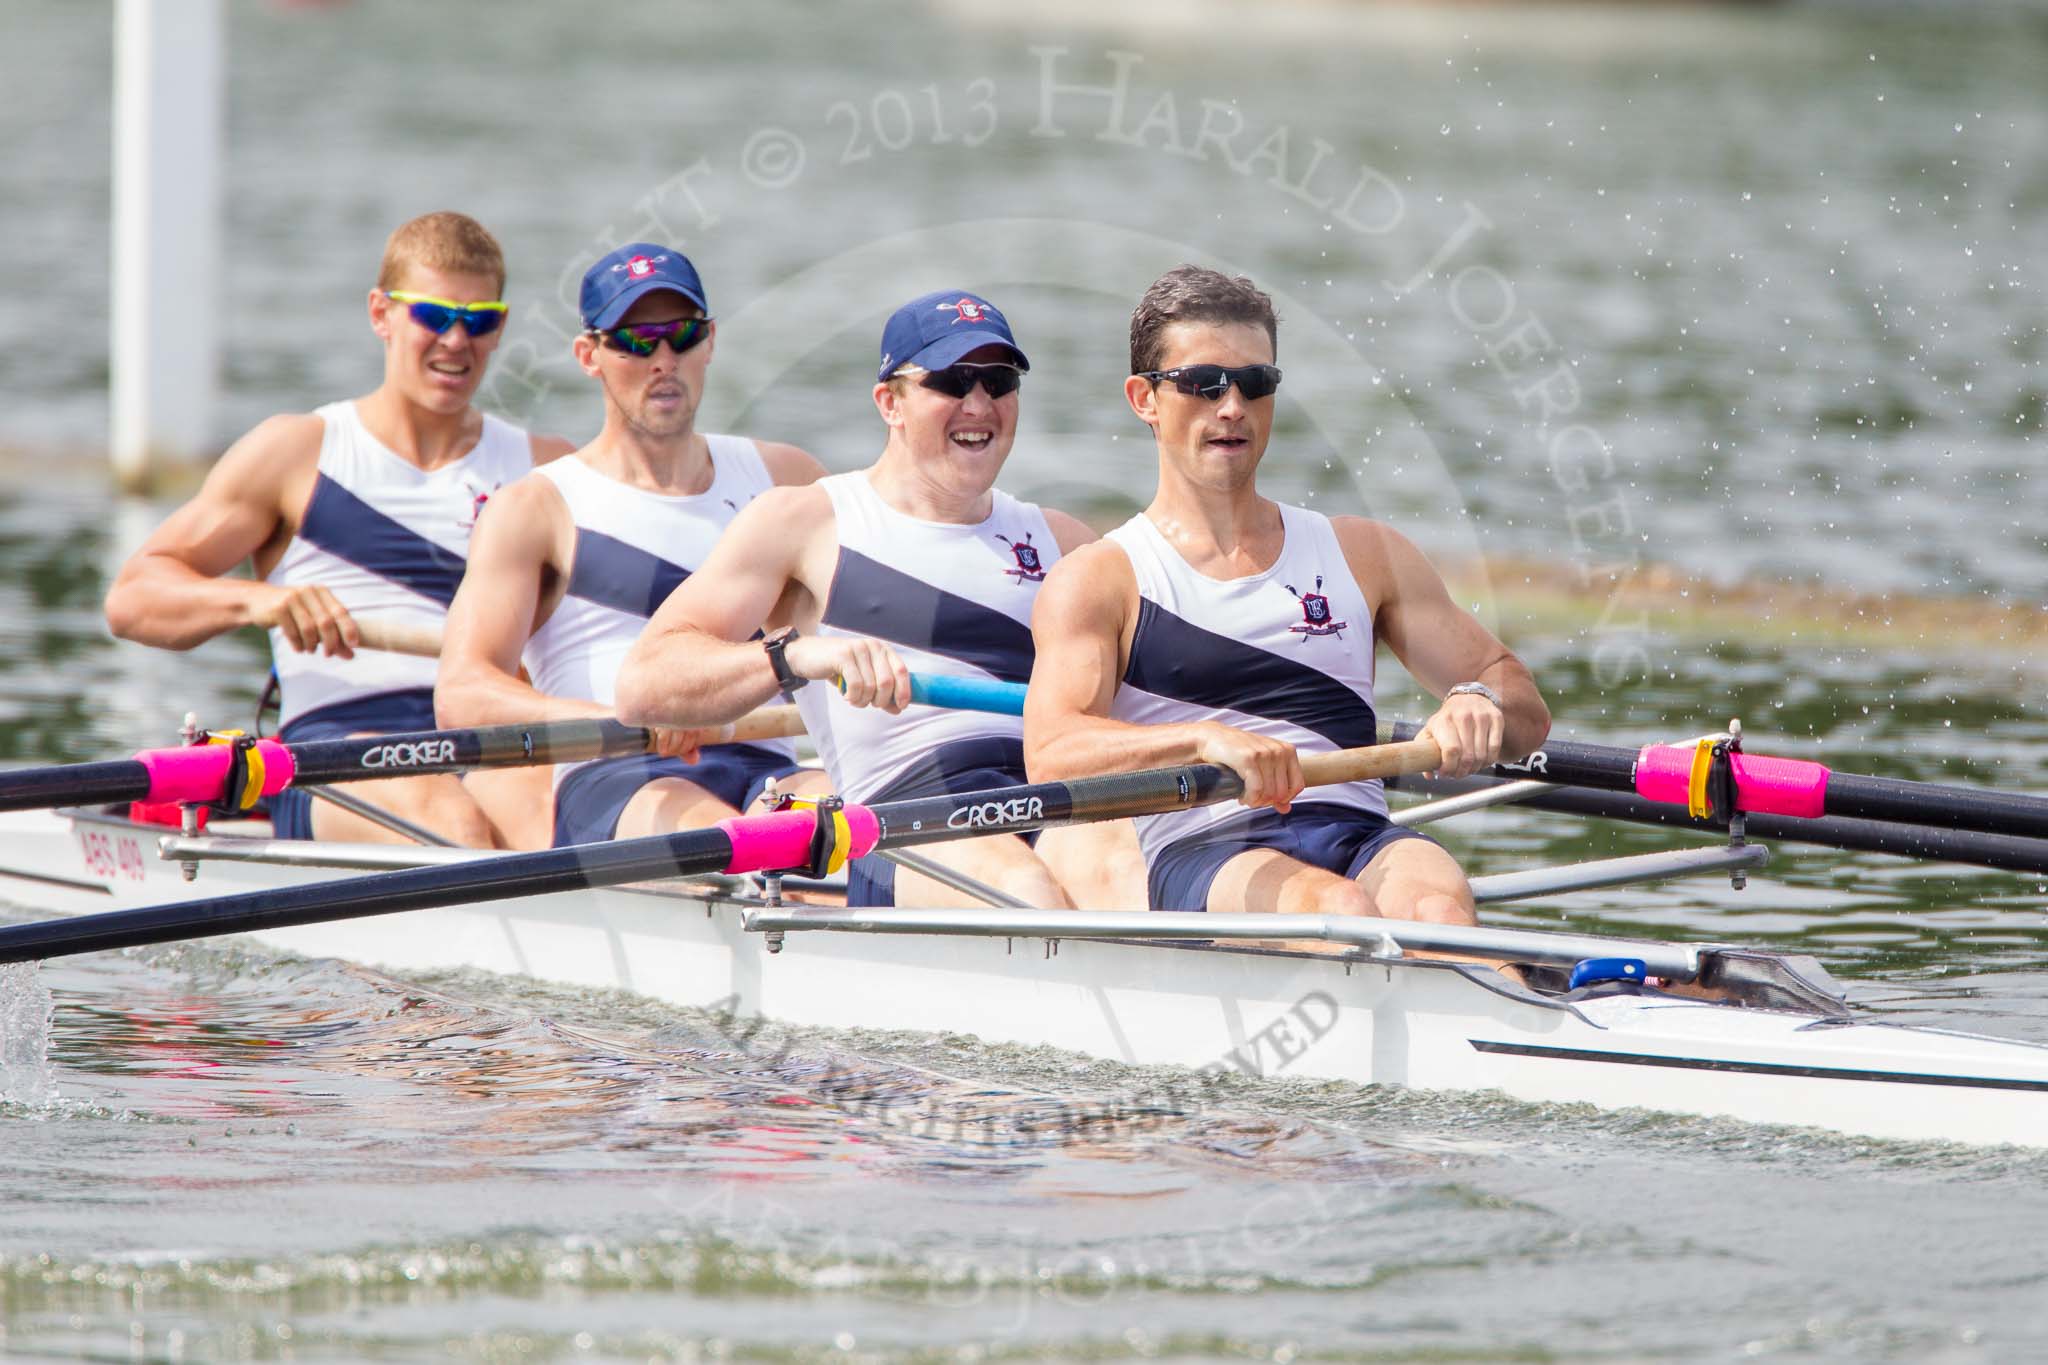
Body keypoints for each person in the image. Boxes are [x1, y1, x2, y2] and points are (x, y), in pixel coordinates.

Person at [1022, 265, 1550, 924]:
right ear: (1144, 398)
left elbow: (1526, 709)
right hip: (1210, 850)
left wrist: (1477, 703)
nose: (1233, 406)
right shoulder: (1102, 577)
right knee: (1335, 908)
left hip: (1359, 836)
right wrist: (1203, 741)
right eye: (1203, 383)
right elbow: (1050, 754)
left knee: (1437, 901)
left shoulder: (1364, 553)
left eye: (1255, 382)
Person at [613, 290, 1143, 909]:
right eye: (951, 380)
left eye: (998, 381)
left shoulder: (1065, 543)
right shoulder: (807, 521)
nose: (978, 404)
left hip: (1054, 793)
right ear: (889, 402)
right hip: (905, 814)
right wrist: (795, 658)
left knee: (1131, 878)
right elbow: (642, 684)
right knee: (1023, 890)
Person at [102, 211, 572, 847]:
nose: (457, 340)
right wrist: (261, 601)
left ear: (500, 327)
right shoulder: (298, 454)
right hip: (334, 751)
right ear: (381, 313)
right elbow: (132, 598)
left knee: (557, 819)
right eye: (433, 316)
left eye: (479, 320)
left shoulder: (546, 469)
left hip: (489, 734)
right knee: (450, 822)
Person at [435, 244, 830, 849]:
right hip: (618, 775)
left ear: (711, 341)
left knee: (864, 827)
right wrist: (614, 718)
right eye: (637, 341)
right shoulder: (535, 509)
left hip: (768, 766)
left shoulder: (787, 478)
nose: (663, 360)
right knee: (746, 846)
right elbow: (462, 693)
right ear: (589, 355)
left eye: (682, 336)